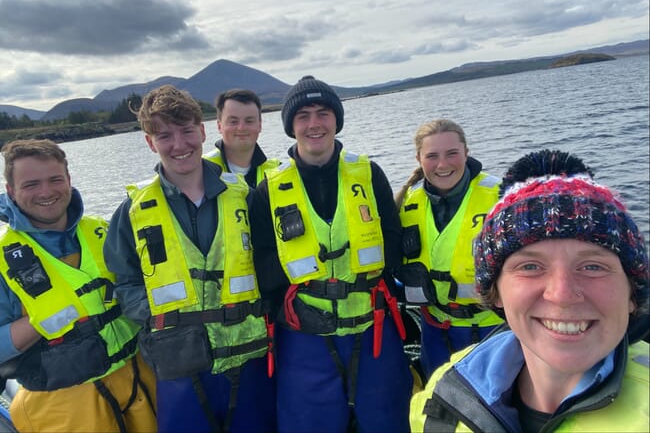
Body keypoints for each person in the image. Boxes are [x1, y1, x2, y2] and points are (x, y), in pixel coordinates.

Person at [410, 149, 649, 432]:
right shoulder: (441, 399)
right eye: (531, 267)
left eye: (593, 267)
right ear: (495, 291)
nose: (561, 295)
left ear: (631, 293)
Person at [103, 85, 276, 433]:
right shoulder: (132, 211)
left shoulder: (245, 197)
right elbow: (124, 282)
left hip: (248, 358)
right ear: (151, 142)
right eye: (165, 135)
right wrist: (157, 318)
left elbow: (271, 263)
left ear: (202, 130)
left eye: (186, 131)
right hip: (177, 365)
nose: (179, 145)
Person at [250, 75, 413, 433]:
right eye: (303, 115)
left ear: (336, 120)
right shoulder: (267, 191)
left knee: (388, 420)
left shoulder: (369, 174)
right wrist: (291, 309)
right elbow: (262, 261)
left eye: (323, 113)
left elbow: (392, 238)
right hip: (304, 335)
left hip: (374, 327)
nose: (314, 124)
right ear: (291, 127)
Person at [0, 139, 156, 433]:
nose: (46, 192)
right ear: (11, 191)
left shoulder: (104, 230)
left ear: (69, 181)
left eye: (55, 180)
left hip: (139, 380)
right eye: (31, 184)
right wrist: (45, 318)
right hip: (64, 404)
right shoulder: (2, 259)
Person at [394, 119, 503, 378]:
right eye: (432, 156)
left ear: (466, 152)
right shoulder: (407, 204)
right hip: (435, 333)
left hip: (494, 331)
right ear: (419, 158)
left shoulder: (500, 197)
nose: (442, 165)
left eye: (452, 153)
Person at [204, 88, 279, 187]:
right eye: (233, 121)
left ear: (260, 126)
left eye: (249, 121)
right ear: (219, 126)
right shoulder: (201, 170)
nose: (241, 128)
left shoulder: (278, 172)